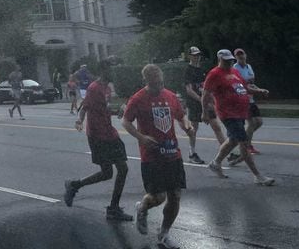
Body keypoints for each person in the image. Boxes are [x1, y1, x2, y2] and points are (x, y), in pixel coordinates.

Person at [123, 64, 195, 249]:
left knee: (175, 195)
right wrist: (141, 137)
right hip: (152, 156)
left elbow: (181, 115)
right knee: (158, 197)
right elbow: (126, 121)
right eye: (155, 84)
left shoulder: (170, 96)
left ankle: (163, 235)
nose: (159, 87)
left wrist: (186, 126)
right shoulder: (138, 99)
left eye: (161, 83)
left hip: (172, 153)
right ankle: (142, 208)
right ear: (146, 81)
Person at [65, 59, 133, 221]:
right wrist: (80, 121)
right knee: (108, 173)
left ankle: (111, 207)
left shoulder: (107, 88)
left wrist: (119, 110)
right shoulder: (94, 88)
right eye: (112, 69)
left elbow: (105, 107)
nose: (115, 72)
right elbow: (85, 107)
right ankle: (76, 186)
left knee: (121, 169)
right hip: (98, 136)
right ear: (104, 70)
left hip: (110, 133)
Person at [202, 49, 275, 185]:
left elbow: (245, 87)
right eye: (226, 61)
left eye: (230, 60)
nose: (229, 63)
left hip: (240, 111)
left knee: (233, 140)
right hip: (228, 113)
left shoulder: (234, 72)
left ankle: (216, 163)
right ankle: (258, 176)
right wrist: (204, 112)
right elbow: (205, 94)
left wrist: (259, 91)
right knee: (243, 142)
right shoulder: (214, 74)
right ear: (220, 60)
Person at [232, 48, 268, 156]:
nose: (240, 56)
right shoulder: (235, 69)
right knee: (251, 123)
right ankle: (247, 146)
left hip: (251, 98)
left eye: (241, 54)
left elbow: (251, 83)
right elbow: (239, 85)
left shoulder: (249, 67)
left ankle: (245, 141)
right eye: (238, 55)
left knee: (259, 122)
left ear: (245, 55)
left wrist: (260, 90)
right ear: (235, 57)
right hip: (242, 98)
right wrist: (258, 90)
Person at [183, 46, 207, 164]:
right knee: (194, 128)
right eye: (194, 55)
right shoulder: (188, 70)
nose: (197, 57)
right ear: (190, 56)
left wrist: (207, 98)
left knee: (215, 124)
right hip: (193, 102)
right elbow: (189, 90)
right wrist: (200, 99)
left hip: (203, 100)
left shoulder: (201, 69)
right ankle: (192, 153)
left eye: (198, 55)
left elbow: (203, 86)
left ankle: (227, 151)